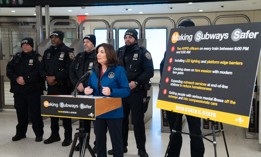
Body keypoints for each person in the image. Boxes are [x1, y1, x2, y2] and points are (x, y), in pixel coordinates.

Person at [160, 19, 205, 157]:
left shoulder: (201, 49)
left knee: (195, 131)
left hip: (193, 97)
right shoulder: (171, 48)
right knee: (174, 131)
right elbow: (164, 68)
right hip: (174, 96)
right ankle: (173, 154)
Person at [108, 29, 154, 157]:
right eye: (126, 37)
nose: (127, 39)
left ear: (135, 39)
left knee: (137, 121)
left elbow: (149, 71)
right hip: (122, 92)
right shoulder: (120, 51)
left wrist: (136, 82)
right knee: (121, 120)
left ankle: (141, 149)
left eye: (130, 37)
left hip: (136, 92)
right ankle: (122, 147)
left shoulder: (143, 53)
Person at [84, 43, 130, 157]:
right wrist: (87, 91)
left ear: (109, 54)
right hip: (98, 112)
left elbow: (126, 90)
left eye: (102, 52)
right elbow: (90, 86)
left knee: (117, 143)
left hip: (113, 113)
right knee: (99, 143)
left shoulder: (118, 70)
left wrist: (112, 92)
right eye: (98, 52)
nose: (98, 54)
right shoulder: (93, 70)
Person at [40, 30, 74, 146]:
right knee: (52, 112)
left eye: (55, 37)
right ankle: (55, 135)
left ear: (61, 38)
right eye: (52, 37)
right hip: (51, 87)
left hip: (63, 87)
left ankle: (68, 137)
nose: (53, 39)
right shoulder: (48, 52)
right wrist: (46, 77)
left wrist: (55, 77)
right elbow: (42, 67)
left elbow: (69, 69)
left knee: (65, 113)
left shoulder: (67, 51)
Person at [6, 37, 44, 142]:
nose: (25, 46)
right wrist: (16, 78)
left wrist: (26, 79)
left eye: (27, 44)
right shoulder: (17, 57)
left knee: (35, 114)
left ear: (31, 45)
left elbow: (39, 72)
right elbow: (9, 69)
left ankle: (38, 134)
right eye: (23, 44)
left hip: (33, 91)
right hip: (19, 91)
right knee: (21, 113)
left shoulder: (37, 57)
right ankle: (20, 133)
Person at [69, 34, 97, 151]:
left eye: (88, 42)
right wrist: (78, 84)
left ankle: (97, 144)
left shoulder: (98, 56)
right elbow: (71, 71)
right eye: (84, 42)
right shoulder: (80, 56)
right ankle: (82, 142)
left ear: (93, 43)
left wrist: (85, 86)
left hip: (94, 93)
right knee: (83, 120)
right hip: (80, 92)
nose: (85, 44)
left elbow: (98, 75)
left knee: (97, 121)